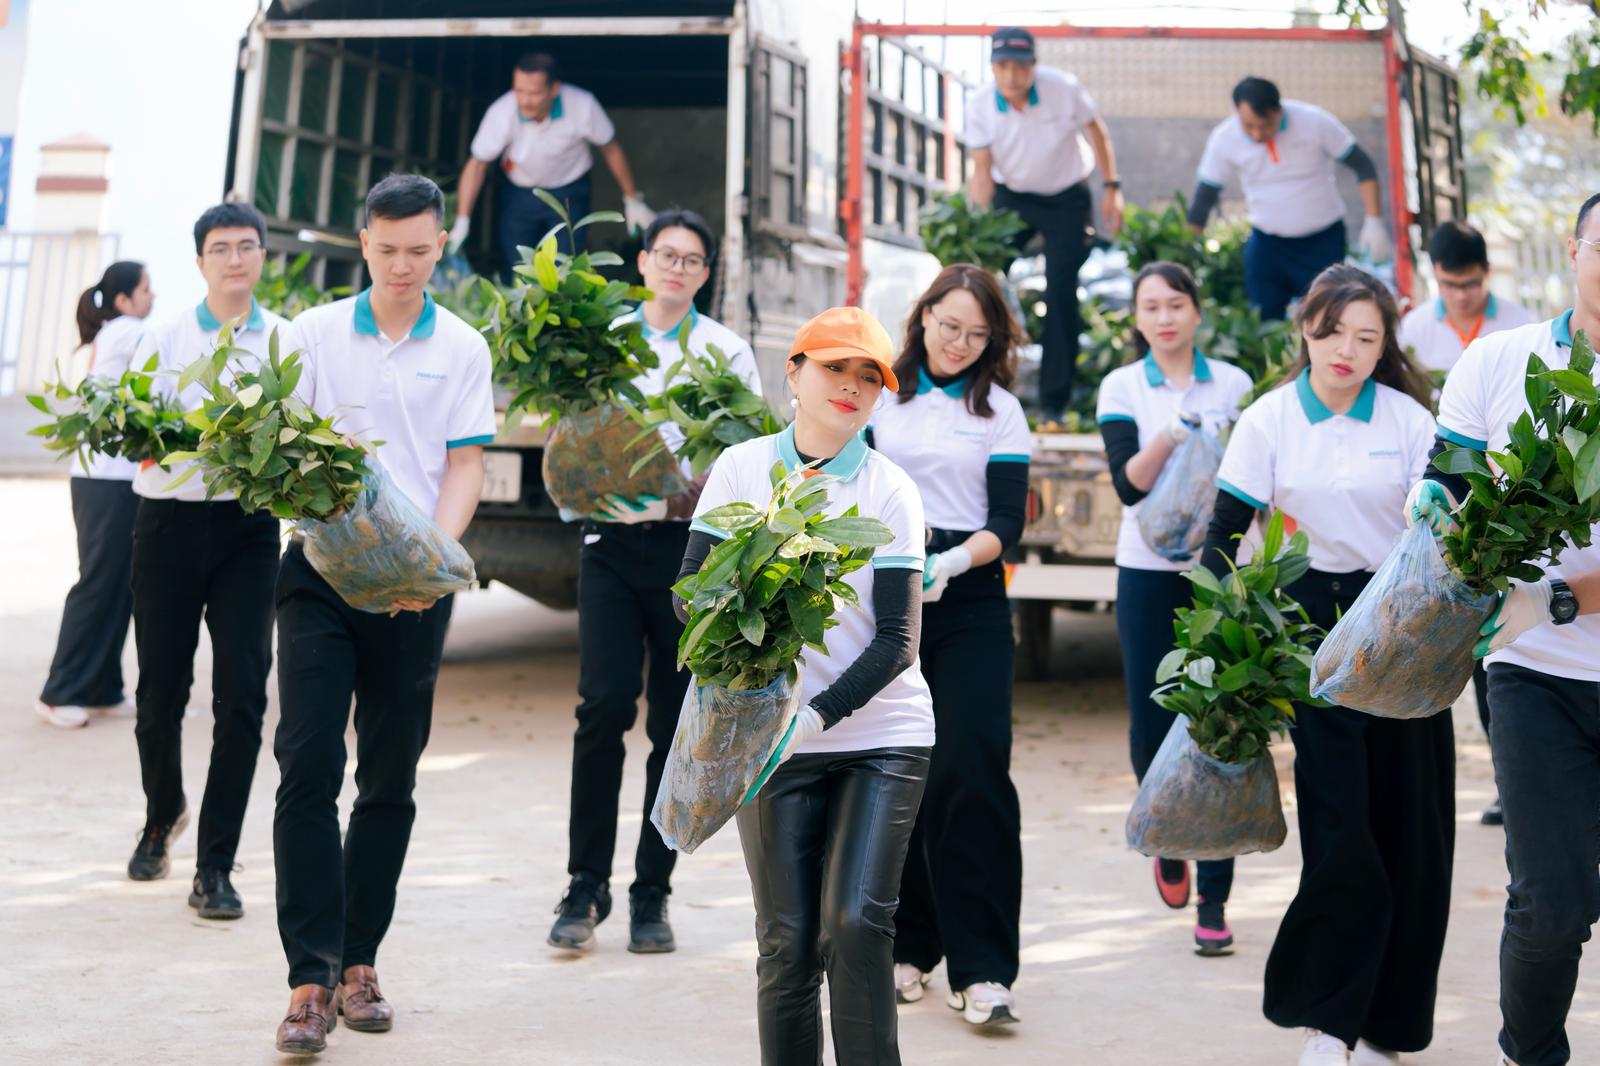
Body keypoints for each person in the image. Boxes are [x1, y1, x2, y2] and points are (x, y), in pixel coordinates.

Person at [1201, 264, 1446, 1066]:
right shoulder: (1268, 420)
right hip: (1308, 629)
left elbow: (1441, 530)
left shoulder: (1410, 420)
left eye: (1366, 337)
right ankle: (1330, 1022)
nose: (1346, 349)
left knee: (1410, 831)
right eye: (1333, 330)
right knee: (1341, 832)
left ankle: (1385, 1029)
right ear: (1305, 328)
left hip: (1403, 626)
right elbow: (1221, 539)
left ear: (1384, 348)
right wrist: (1222, 651)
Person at [271, 174, 494, 1056]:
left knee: (389, 778)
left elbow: (464, 466)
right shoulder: (312, 333)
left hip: (413, 590)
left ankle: (359, 963)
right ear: (363, 243)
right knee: (307, 764)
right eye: (388, 250)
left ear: (441, 247)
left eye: (419, 251)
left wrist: (427, 564)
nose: (403, 266)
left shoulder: (464, 346)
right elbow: (280, 447)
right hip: (319, 576)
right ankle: (308, 979)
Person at [676, 306, 932, 1066]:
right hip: (770, 743)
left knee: (854, 923)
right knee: (786, 942)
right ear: (793, 373)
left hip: (880, 738)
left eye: (868, 377)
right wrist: (743, 632)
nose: (851, 387)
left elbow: (899, 641)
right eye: (834, 368)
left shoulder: (891, 491)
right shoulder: (742, 468)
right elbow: (690, 592)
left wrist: (813, 719)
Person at [1410, 194, 1600, 1066]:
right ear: (1573, 249)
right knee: (1551, 904)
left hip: (1541, 621)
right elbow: (1451, 474)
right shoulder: (1498, 360)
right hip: (1535, 676)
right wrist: (1436, 504)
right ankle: (1530, 1055)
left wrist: (1554, 599)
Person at [549, 208, 761, 956]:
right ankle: (584, 886)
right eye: (666, 255)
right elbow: (569, 434)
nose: (677, 268)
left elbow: (740, 462)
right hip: (608, 545)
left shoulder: (726, 352)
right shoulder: (606, 342)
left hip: (688, 554)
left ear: (706, 274)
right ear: (642, 263)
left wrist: (674, 501)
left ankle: (651, 893)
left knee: (672, 727)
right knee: (602, 707)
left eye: (692, 260)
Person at [868, 264, 1030, 1026]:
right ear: (923, 315)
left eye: (977, 334)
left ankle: (985, 968)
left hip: (970, 598)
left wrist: (955, 561)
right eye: (949, 326)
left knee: (972, 766)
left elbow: (1008, 522)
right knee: (898, 769)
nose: (960, 343)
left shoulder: (1000, 411)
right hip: (886, 594)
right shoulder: (881, 394)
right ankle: (910, 946)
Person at [127, 204, 288, 921]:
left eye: (246, 246)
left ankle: (215, 864)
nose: (234, 259)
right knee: (159, 695)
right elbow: (134, 429)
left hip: (247, 531)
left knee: (243, 697)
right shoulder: (163, 337)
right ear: (199, 262)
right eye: (220, 248)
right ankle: (162, 814)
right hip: (167, 524)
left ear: (262, 257)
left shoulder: (284, 338)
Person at [1096, 261, 1253, 954]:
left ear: (1197, 311)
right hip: (1146, 571)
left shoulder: (1236, 385)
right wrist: (1175, 431)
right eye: (1151, 307)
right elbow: (1129, 487)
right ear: (1137, 319)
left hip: (1220, 573)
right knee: (1151, 718)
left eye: (1176, 304)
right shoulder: (1121, 386)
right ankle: (1167, 832)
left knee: (1223, 718)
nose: (1164, 318)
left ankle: (1214, 895)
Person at [1397, 218, 1535, 828]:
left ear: (1487, 274)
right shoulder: (1413, 330)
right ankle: (1510, 778)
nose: (1461, 295)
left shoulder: (1519, 326)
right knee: (1466, 647)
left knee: (1498, 643)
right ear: (1436, 277)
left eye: (1471, 284)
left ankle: (1513, 784)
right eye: (1450, 285)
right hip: (1442, 497)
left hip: (1502, 507)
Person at [965, 26, 1123, 424]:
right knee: (981, 282)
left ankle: (1055, 403)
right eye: (1003, 66)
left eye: (1020, 66)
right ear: (992, 67)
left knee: (1061, 292)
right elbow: (982, 172)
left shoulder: (1063, 88)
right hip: (1013, 197)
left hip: (1067, 197)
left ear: (1034, 66)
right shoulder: (979, 104)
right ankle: (978, 382)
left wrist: (1111, 187)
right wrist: (979, 231)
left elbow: (1097, 131)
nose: (1012, 75)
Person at [36, 261, 155, 729]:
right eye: (146, 290)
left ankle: (104, 688)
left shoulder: (119, 331)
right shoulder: (128, 330)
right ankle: (58, 693)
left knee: (122, 584)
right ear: (124, 300)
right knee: (99, 582)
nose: (153, 297)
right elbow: (171, 357)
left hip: (117, 477)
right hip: (104, 478)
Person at [1188, 77, 1391, 322]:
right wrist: (1188, 250)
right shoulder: (1224, 138)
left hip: (1323, 241)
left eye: (1265, 126)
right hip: (1268, 244)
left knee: (1326, 318)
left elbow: (1363, 166)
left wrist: (1374, 221)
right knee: (1263, 320)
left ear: (1278, 111)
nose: (1257, 134)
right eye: (1248, 126)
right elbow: (1204, 197)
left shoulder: (1314, 122)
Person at [448, 51, 654, 277]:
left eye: (534, 93)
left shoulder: (583, 105)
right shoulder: (502, 111)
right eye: (519, 91)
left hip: (570, 192)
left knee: (565, 267)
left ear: (554, 89)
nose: (524, 100)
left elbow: (610, 149)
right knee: (517, 267)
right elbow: (477, 165)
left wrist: (632, 199)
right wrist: (462, 219)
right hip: (520, 195)